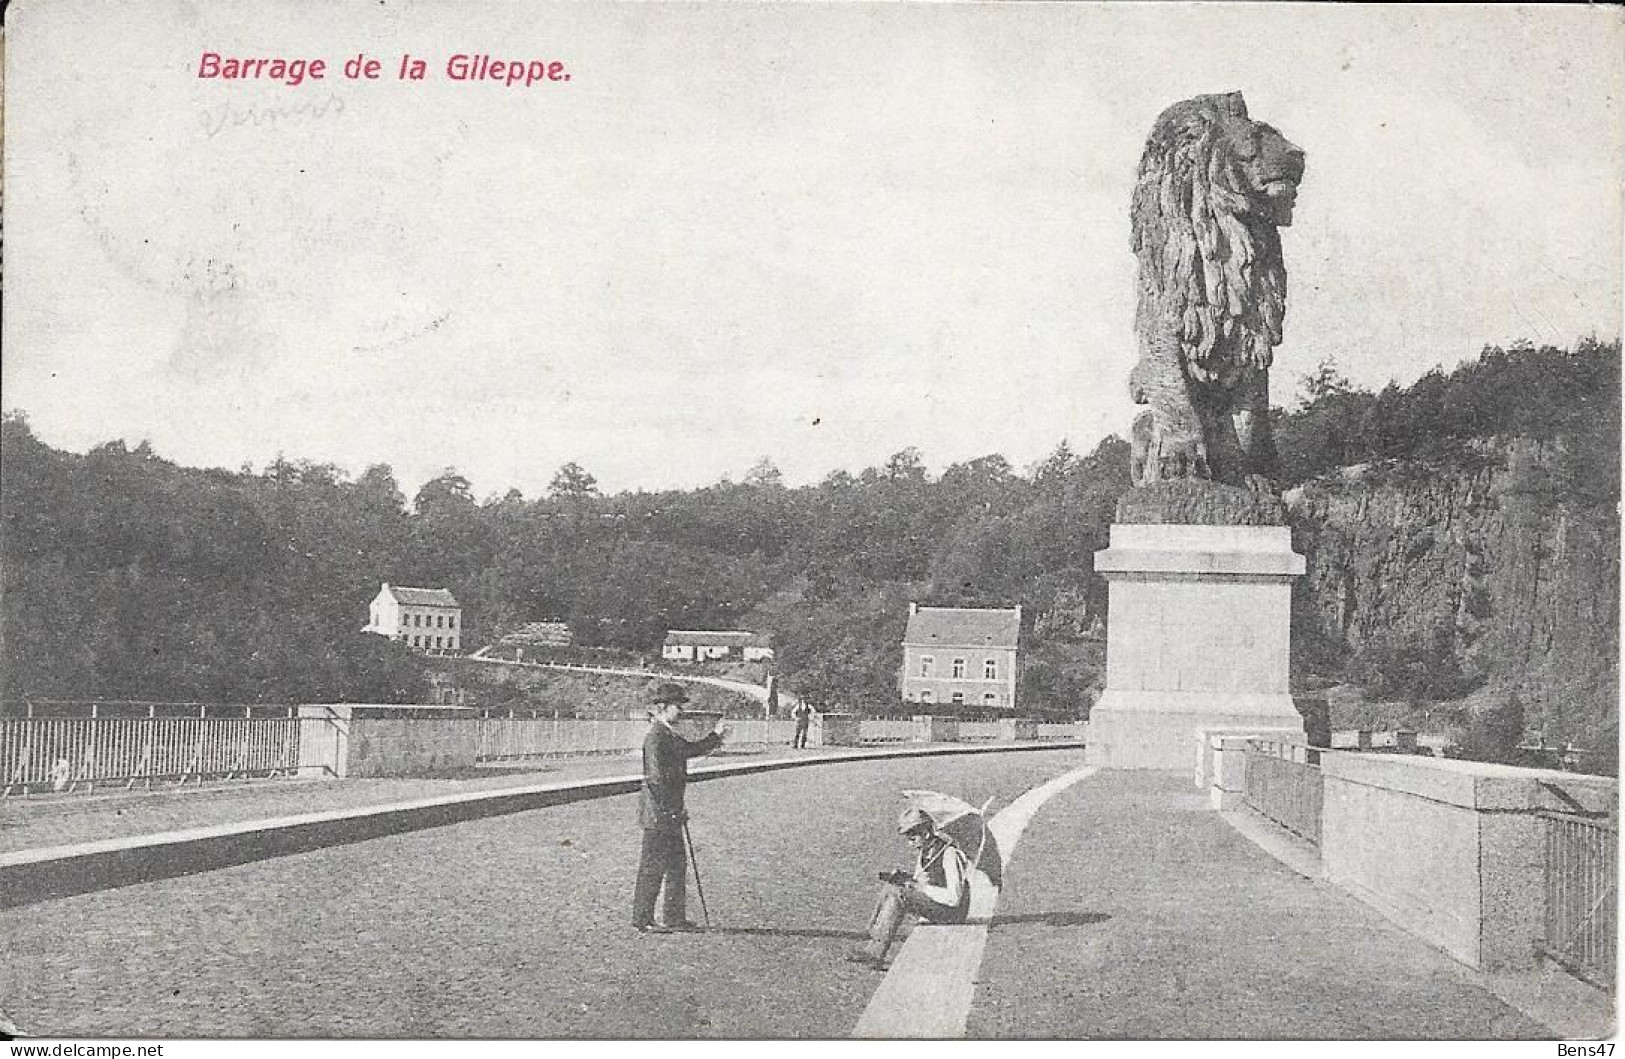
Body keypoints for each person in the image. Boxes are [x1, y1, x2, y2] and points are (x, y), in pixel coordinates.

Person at [632, 688, 727, 934]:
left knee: (676, 864)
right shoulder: (656, 736)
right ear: (663, 707)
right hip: (659, 813)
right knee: (653, 866)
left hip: (668, 811)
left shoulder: (668, 733)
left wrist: (716, 736)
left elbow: (690, 750)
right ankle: (643, 919)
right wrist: (670, 809)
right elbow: (655, 778)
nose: (682, 711)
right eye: (678, 706)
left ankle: (674, 917)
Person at [848, 807, 970, 966]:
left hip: (952, 913)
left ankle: (876, 952)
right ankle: (872, 932)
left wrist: (918, 887)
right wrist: (905, 879)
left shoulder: (949, 854)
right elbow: (922, 881)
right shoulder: (926, 852)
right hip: (938, 903)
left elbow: (954, 898)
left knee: (900, 895)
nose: (910, 844)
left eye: (913, 839)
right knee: (893, 886)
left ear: (925, 834)